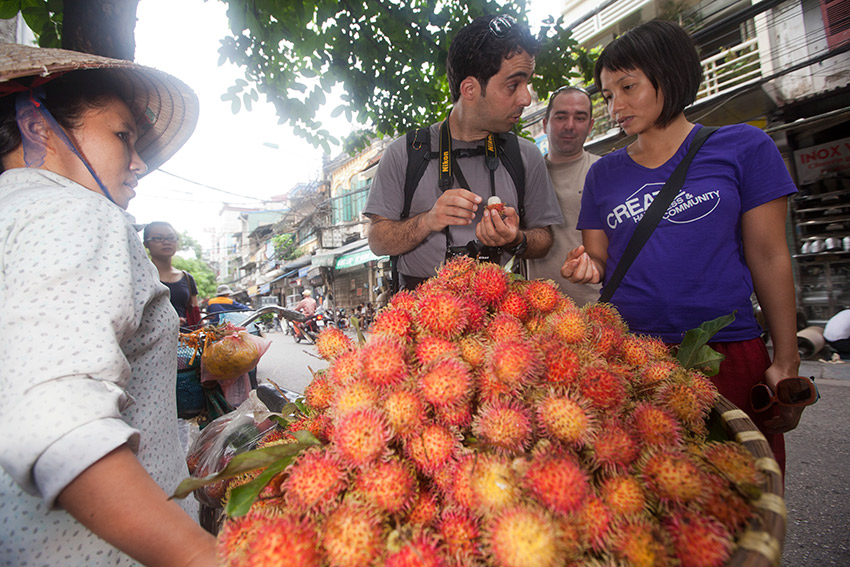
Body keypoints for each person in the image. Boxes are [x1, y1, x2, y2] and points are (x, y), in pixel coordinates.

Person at [0, 44, 216, 565]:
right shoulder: (75, 211)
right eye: (123, 136)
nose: (139, 163)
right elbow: (55, 421)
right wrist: (201, 557)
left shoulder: (15, 210)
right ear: (38, 126)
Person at [561, 20, 801, 473]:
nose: (616, 106)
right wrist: (585, 266)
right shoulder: (603, 175)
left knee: (739, 494)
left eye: (628, 86)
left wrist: (786, 357)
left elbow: (769, 256)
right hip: (631, 358)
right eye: (609, 94)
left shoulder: (745, 146)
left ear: (668, 76)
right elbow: (598, 258)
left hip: (727, 352)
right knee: (642, 497)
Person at [364, 15, 563, 290]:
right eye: (513, 85)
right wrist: (427, 220)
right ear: (469, 88)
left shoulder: (525, 155)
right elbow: (377, 240)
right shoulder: (406, 153)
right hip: (423, 315)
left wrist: (515, 238)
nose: (526, 98)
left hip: (502, 313)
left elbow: (544, 239)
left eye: (527, 82)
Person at [527, 86, 601, 305]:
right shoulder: (525, 176)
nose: (570, 126)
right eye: (561, 117)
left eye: (580, 118)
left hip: (594, 305)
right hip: (536, 307)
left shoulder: (604, 172)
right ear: (545, 123)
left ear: (590, 126)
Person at [143, 221, 200, 330]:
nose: (166, 242)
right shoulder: (140, 276)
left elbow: (195, 314)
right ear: (146, 243)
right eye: (159, 238)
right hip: (151, 343)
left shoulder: (187, 278)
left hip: (185, 342)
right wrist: (168, 321)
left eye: (171, 238)